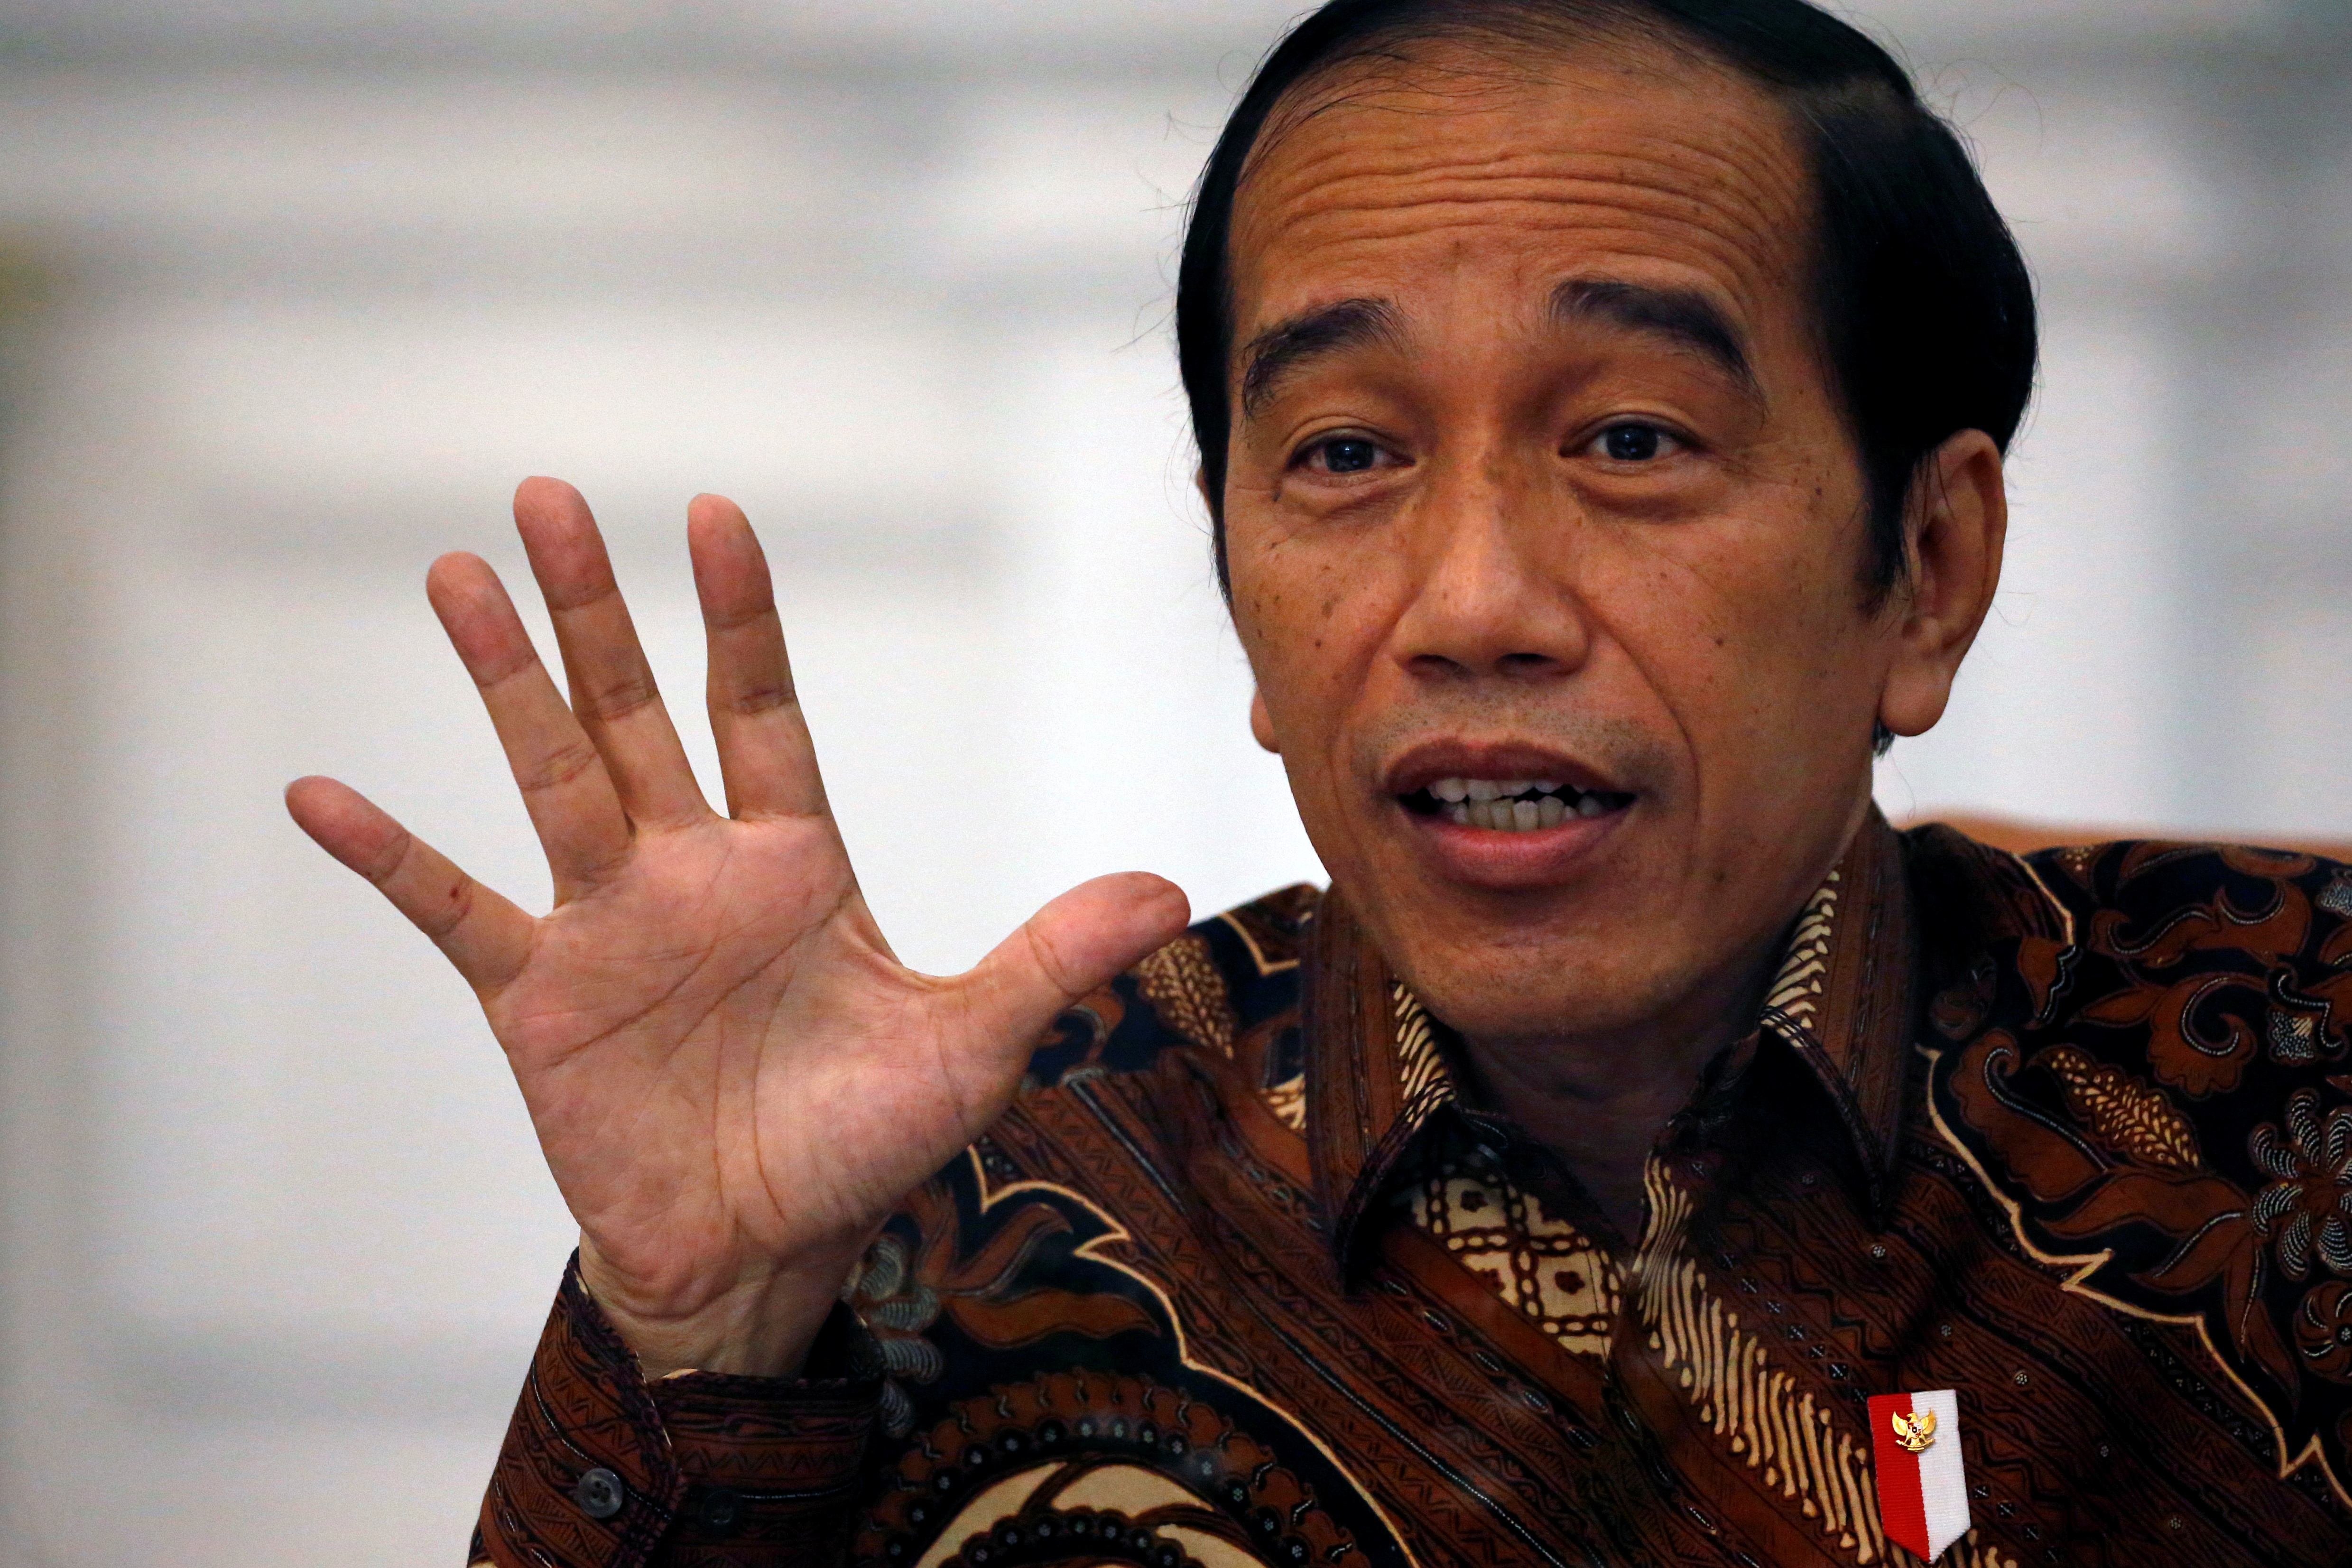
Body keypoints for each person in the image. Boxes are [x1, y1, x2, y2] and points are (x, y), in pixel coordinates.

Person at [287, 1, 2352, 1563]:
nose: (1469, 603)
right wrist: (710, 1331)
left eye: (1629, 438)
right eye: (1347, 454)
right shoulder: (985, 1198)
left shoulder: (2280, 1099)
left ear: (1925, 568)